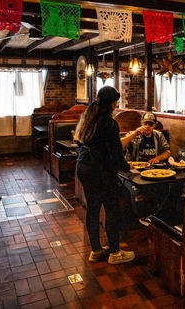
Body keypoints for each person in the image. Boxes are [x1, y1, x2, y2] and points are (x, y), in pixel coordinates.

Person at [74, 86, 136, 265]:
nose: (117, 105)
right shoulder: (109, 123)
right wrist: (127, 167)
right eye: (116, 101)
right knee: (111, 209)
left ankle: (95, 250)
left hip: (84, 167)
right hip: (100, 171)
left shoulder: (89, 116)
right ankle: (115, 252)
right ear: (111, 102)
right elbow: (115, 153)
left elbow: (81, 143)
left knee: (93, 209)